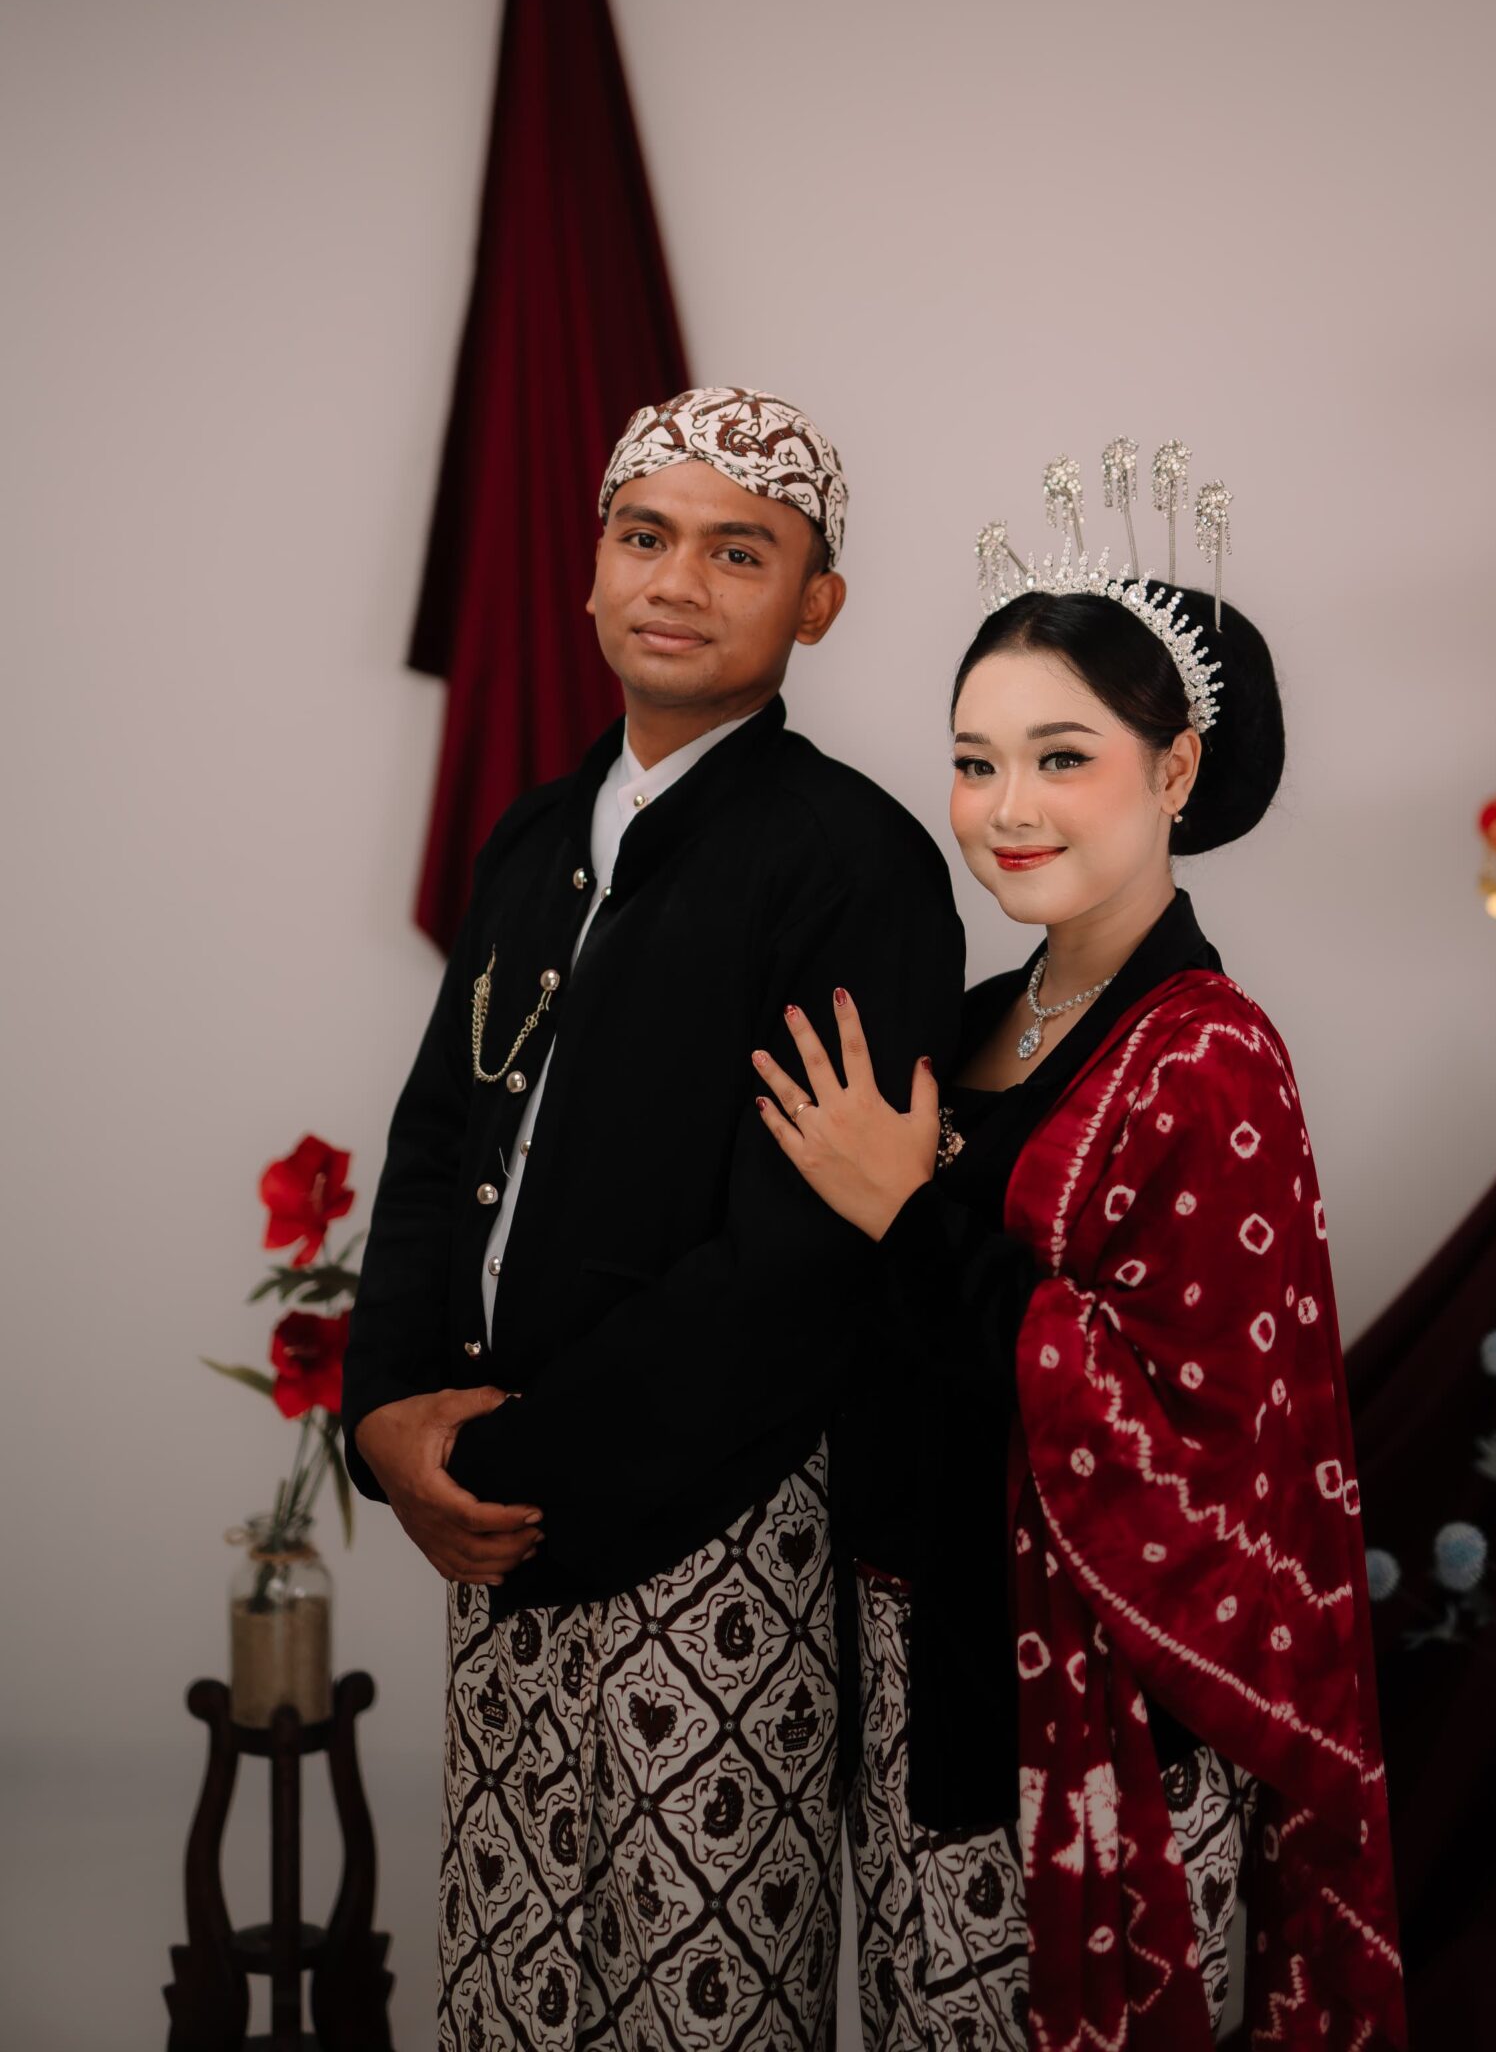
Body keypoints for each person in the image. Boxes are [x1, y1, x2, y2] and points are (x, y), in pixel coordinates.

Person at [753, 455, 1407, 2050]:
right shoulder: (969, 1021)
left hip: (1096, 1702)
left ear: (1175, 769)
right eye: (975, 763)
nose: (1009, 808)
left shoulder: (1209, 1056)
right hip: (912, 1654)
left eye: (1062, 757)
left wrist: (906, 1211)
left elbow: (1185, 1434)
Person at [343, 386, 965, 2052]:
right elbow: (435, 1141)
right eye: (646, 537)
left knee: (701, 2004)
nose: (678, 581)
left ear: (817, 603)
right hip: (491, 1521)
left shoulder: (855, 863)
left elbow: (799, 1266)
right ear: (594, 568)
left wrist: (500, 1459)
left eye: (739, 551)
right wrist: (387, 1418)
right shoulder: (535, 836)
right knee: (510, 1988)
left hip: (718, 1534)